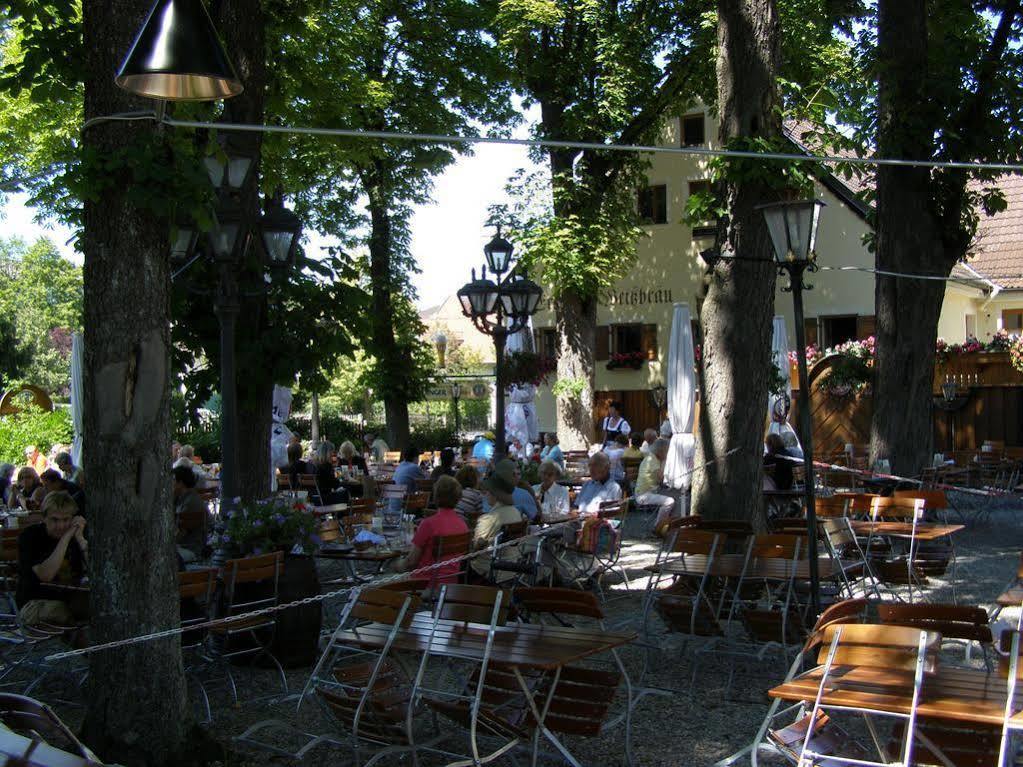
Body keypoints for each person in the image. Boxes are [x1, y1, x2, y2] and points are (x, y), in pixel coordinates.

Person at [17, 490, 87, 627]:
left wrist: (80, 539)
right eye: (54, 519)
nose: (61, 526)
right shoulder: (30, 537)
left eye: (66, 519)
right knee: (63, 611)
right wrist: (67, 537)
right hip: (34, 602)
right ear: (44, 518)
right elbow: (46, 575)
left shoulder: (78, 535)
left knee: (97, 607)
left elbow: (96, 570)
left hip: (71, 597)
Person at [394, 475, 470, 584]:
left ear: (436, 496)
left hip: (424, 583)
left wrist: (395, 564)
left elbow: (411, 562)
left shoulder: (428, 524)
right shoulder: (463, 525)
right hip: (451, 584)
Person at [471, 464, 525, 580]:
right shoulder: (516, 513)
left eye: (488, 492)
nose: (486, 494)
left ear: (495, 494)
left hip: (487, 569)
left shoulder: (488, 519)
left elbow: (475, 548)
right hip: (511, 568)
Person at [635, 438, 677, 535]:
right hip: (643, 495)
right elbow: (661, 478)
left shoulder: (651, 457)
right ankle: (657, 527)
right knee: (670, 502)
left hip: (648, 491)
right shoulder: (652, 459)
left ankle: (668, 525)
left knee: (674, 495)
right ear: (662, 451)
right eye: (667, 452)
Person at [173, 466, 211, 563]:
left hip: (190, 549)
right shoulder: (182, 498)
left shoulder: (190, 502)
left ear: (180, 483)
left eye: (173, 481)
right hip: (184, 547)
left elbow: (180, 534)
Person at [391, 445, 424, 513]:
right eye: (418, 457)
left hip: (392, 506)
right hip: (404, 507)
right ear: (415, 458)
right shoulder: (414, 467)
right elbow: (424, 485)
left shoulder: (400, 465)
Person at [314, 441, 348, 505]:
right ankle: (344, 514)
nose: (333, 455)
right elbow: (336, 484)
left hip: (314, 498)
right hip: (325, 499)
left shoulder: (313, 465)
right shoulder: (326, 466)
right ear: (328, 453)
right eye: (332, 452)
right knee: (346, 491)